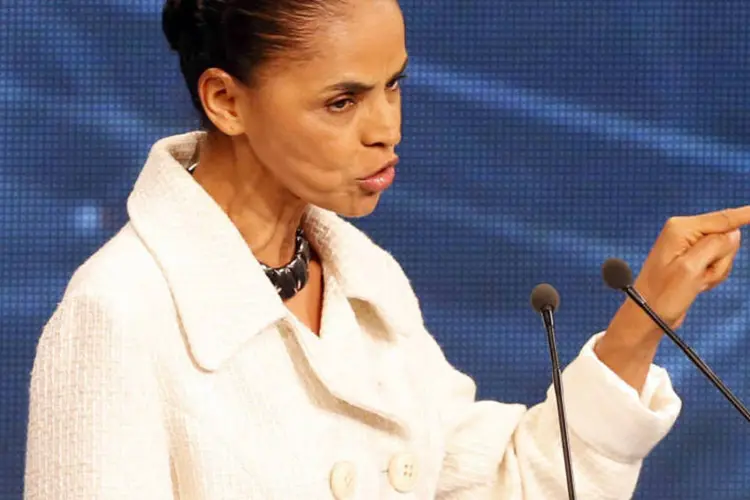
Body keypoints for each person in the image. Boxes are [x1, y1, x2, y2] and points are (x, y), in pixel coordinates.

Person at [23, 0, 750, 498]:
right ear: (226, 100)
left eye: (393, 86)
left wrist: (640, 326)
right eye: (342, 101)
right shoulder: (118, 315)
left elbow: (502, 484)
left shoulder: (365, 281)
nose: (386, 129)